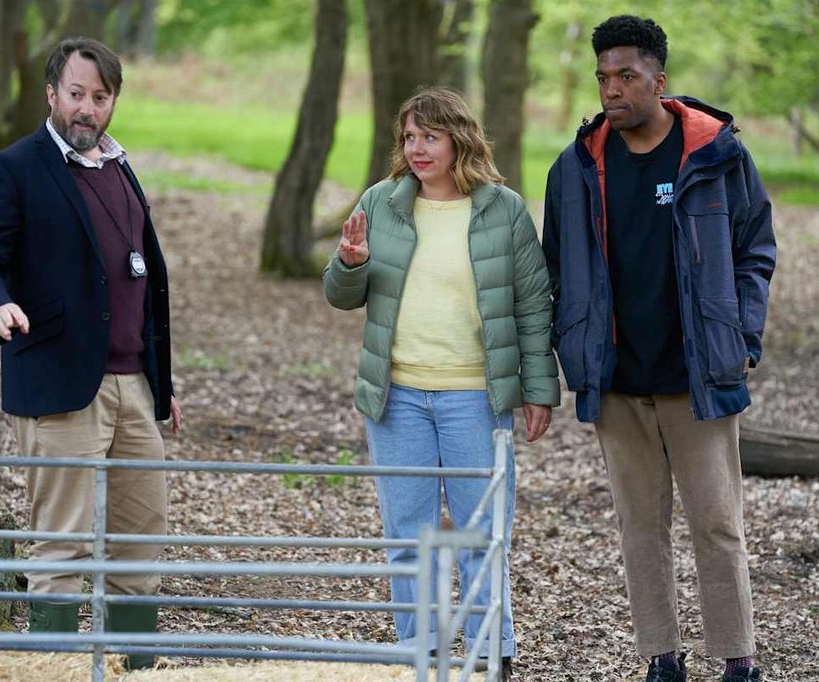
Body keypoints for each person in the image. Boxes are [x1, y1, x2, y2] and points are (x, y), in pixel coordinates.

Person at [541, 15, 776, 682]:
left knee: (717, 525)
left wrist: (743, 338)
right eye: (603, 78)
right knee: (640, 530)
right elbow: (555, 264)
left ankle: (738, 662)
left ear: (658, 80)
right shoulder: (577, 166)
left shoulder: (716, 155)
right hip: (617, 381)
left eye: (626, 76)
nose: (612, 90)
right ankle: (661, 660)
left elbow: (755, 250)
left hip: (698, 376)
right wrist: (572, 342)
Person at [0, 37, 181, 669]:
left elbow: (138, 279)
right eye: (76, 94)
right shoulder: (15, 167)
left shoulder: (118, 167)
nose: (88, 109)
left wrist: (160, 379)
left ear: (113, 101)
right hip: (58, 383)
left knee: (141, 544)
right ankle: (50, 667)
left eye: (100, 97)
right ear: (52, 94)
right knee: (60, 546)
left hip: (134, 385)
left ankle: (135, 666)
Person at [324, 86, 558, 679]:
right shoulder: (382, 203)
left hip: (475, 399)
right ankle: (419, 658)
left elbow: (533, 305)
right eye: (409, 137)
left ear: (459, 140)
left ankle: (488, 660)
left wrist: (538, 389)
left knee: (483, 535)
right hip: (396, 397)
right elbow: (342, 295)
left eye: (430, 136)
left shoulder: (502, 210)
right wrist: (350, 262)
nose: (418, 148)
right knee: (408, 536)